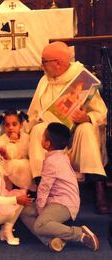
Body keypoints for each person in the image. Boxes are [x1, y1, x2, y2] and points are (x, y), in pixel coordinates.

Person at [24, 41, 109, 214]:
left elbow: (101, 113)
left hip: (75, 142)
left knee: (85, 128)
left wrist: (86, 117)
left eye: (44, 61)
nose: (42, 65)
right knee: (38, 130)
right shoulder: (44, 81)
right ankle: (42, 185)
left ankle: (98, 190)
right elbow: (32, 114)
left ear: (58, 63)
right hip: (53, 143)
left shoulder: (82, 79)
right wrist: (37, 120)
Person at [20, 122, 100, 252]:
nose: (41, 138)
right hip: (55, 200)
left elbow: (44, 189)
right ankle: (52, 240)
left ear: (47, 144)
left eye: (43, 136)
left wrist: (40, 209)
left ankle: (79, 233)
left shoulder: (52, 162)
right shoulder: (59, 156)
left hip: (64, 203)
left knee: (39, 225)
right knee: (25, 213)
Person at [0, 110, 33, 190]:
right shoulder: (1, 140)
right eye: (7, 125)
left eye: (14, 124)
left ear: (20, 125)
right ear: (3, 126)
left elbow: (29, 154)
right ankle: (8, 191)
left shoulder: (26, 138)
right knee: (6, 167)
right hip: (8, 166)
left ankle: (25, 190)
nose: (11, 128)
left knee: (24, 164)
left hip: (24, 168)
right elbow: (9, 156)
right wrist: (12, 141)